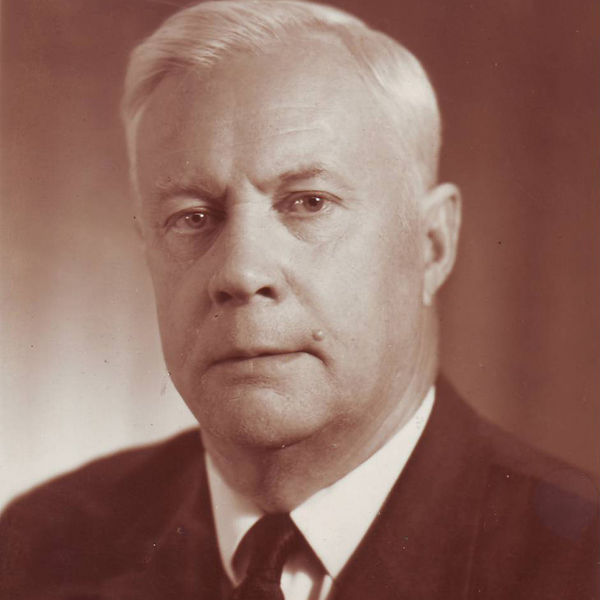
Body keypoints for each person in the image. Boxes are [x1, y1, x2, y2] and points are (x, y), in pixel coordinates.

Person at [0, 1, 596, 598]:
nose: (241, 271)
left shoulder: (579, 565)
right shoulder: (37, 552)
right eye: (193, 216)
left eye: (309, 202)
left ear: (432, 244)